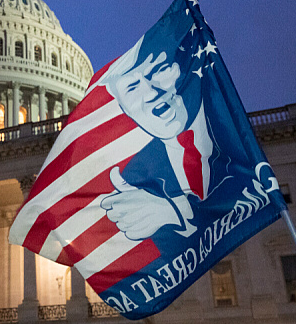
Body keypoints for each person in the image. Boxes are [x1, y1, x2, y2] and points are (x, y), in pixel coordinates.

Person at [95, 32, 232, 242]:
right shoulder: (134, 174)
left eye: (159, 70)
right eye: (132, 87)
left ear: (178, 69)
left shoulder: (227, 129)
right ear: (124, 109)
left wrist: (175, 212)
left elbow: (239, 192)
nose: (151, 92)